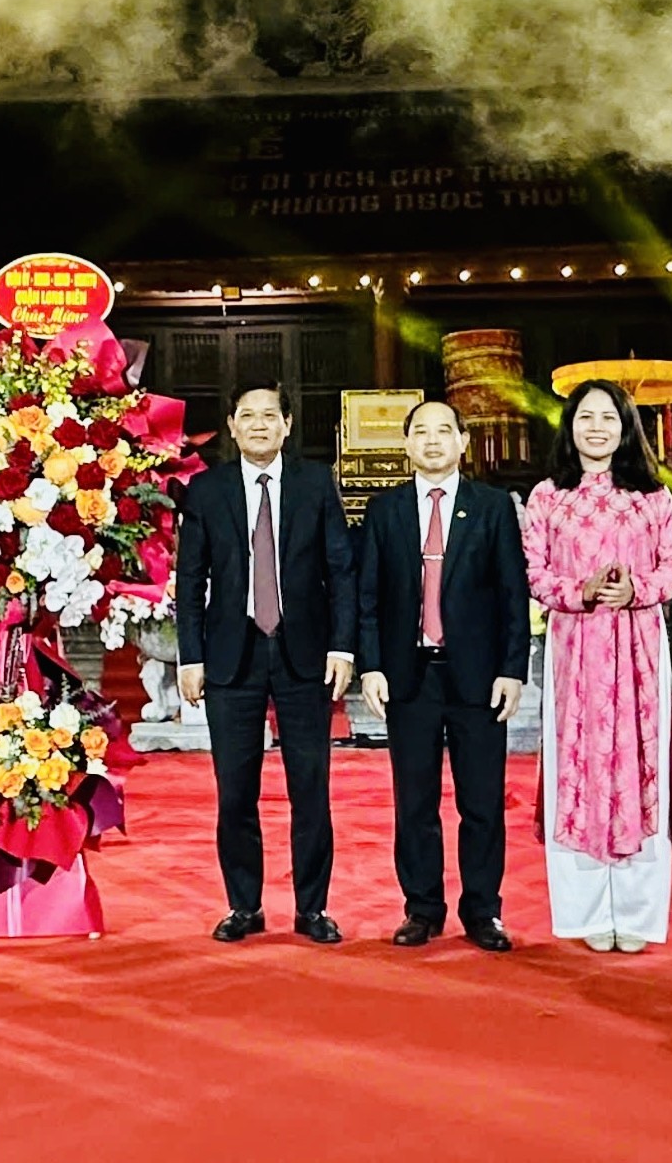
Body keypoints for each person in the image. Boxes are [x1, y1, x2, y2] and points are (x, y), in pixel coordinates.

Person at [173, 381, 357, 945]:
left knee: (311, 789)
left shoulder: (314, 483)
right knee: (235, 791)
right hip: (232, 656)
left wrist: (342, 647)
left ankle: (312, 908)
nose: (259, 424)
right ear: (231, 426)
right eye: (247, 416)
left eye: (269, 416)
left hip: (305, 656)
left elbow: (341, 569)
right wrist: (190, 656)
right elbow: (190, 579)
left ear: (287, 425)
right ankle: (244, 906)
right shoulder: (207, 490)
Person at [358, 400, 530, 953]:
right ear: (407, 444)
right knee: (415, 802)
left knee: (481, 802)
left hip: (477, 677)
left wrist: (512, 670)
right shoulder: (384, 511)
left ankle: (483, 910)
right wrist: (371, 665)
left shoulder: (492, 507)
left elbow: (513, 593)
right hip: (409, 676)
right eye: (421, 432)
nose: (433, 441)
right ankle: (422, 908)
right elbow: (368, 596)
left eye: (443, 431)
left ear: (463, 441)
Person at [522, 380, 672, 953]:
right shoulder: (548, 497)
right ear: (569, 427)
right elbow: (534, 573)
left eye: (609, 418)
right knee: (580, 767)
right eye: (586, 418)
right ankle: (585, 911)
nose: (597, 428)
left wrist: (636, 589)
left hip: (640, 645)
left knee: (641, 767)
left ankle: (638, 914)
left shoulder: (653, 496)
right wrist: (581, 591)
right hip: (575, 648)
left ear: (626, 429)